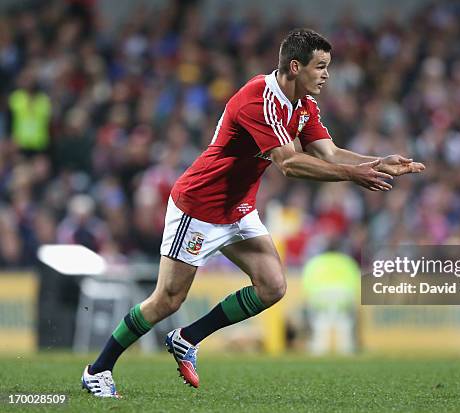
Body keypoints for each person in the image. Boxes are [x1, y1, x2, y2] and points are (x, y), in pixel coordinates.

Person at [81, 28, 425, 398]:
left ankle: (187, 338)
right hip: (200, 205)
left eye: (328, 67)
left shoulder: (303, 104)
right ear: (295, 66)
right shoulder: (258, 100)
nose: (326, 75)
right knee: (167, 299)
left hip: (238, 207)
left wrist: (378, 162)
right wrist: (352, 175)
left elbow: (329, 152)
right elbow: (290, 164)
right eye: (320, 67)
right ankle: (97, 370)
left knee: (272, 286)